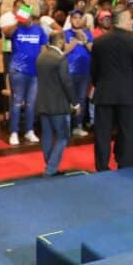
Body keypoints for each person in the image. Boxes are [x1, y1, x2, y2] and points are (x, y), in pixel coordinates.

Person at [90, 12, 133, 171]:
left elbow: (94, 72)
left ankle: (102, 166)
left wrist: (100, 85)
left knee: (102, 134)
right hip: (128, 95)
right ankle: (125, 165)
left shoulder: (98, 42)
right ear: (122, 21)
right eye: (130, 19)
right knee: (128, 132)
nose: (132, 21)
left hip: (104, 94)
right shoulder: (132, 41)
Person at [34, 32, 79, 177]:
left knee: (47, 136)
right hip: (59, 106)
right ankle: (50, 169)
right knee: (63, 136)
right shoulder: (60, 59)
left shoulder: (41, 57)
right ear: (60, 42)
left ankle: (49, 166)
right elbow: (67, 83)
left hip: (43, 103)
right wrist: (75, 103)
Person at [3, 5, 46, 146]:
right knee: (16, 103)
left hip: (35, 72)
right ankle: (14, 132)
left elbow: (44, 48)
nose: (25, 18)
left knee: (31, 104)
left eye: (26, 15)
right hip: (18, 71)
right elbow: (7, 33)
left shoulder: (39, 30)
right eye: (23, 15)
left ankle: (29, 130)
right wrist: (17, 22)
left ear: (31, 16)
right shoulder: (16, 28)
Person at [62, 9, 93, 137]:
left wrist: (85, 40)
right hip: (69, 71)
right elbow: (64, 51)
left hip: (84, 72)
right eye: (74, 17)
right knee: (68, 99)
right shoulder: (65, 33)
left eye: (80, 17)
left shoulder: (88, 33)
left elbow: (93, 50)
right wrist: (75, 39)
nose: (77, 19)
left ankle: (78, 126)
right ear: (70, 20)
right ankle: (66, 127)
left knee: (81, 99)